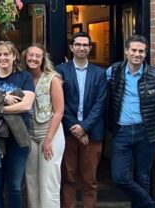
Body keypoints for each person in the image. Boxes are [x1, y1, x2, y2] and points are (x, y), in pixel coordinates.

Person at [106, 34, 155, 208]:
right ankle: (151, 205)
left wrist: (150, 118)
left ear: (146, 53)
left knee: (142, 175)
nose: (137, 54)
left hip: (146, 132)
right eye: (134, 50)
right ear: (126, 51)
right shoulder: (114, 71)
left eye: (141, 51)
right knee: (119, 177)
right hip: (122, 131)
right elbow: (102, 94)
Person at [0, 41, 35, 208]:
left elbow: (26, 105)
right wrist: (4, 98)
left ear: (14, 56)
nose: (3, 58)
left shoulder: (24, 77)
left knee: (15, 187)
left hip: (18, 140)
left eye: (6, 54)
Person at [56, 32, 107, 208]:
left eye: (85, 45)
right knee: (68, 178)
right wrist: (76, 129)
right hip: (68, 133)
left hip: (92, 134)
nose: (82, 48)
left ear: (90, 48)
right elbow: (60, 102)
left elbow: (100, 104)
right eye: (78, 44)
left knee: (90, 180)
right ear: (71, 48)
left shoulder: (100, 73)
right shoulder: (60, 71)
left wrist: (84, 128)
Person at [23, 44, 65, 208]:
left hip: (50, 133)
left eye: (37, 56)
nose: (33, 58)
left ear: (43, 59)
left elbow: (59, 112)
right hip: (29, 134)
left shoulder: (52, 78)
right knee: (31, 180)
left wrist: (48, 140)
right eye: (30, 55)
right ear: (25, 57)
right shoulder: (23, 77)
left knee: (49, 182)